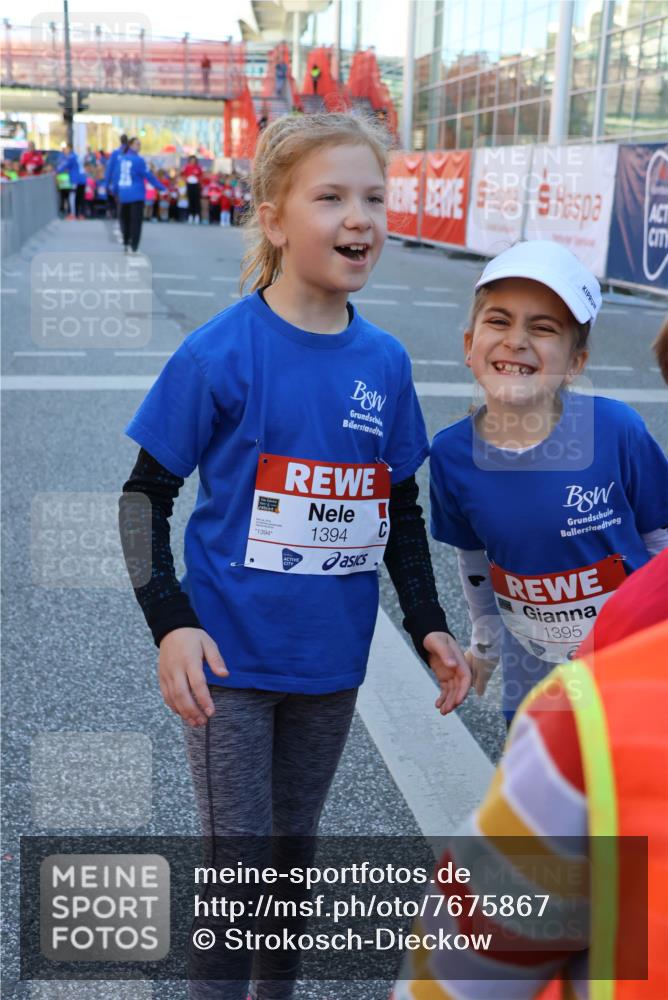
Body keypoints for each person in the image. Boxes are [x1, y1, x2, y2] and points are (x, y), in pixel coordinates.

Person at [118, 112, 470, 1000]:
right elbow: (142, 497)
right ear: (274, 219)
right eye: (332, 198)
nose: (361, 218)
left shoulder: (384, 363)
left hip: (329, 664)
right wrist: (173, 626)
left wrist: (427, 623)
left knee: (289, 859)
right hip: (230, 661)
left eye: (374, 198)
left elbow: (396, 501)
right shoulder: (219, 353)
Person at [428, 240, 668, 727]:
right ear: (469, 345)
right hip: (533, 676)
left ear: (576, 362)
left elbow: (659, 542)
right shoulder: (452, 455)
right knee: (541, 792)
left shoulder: (617, 430)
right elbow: (473, 559)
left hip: (631, 667)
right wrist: (485, 646)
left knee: (628, 794)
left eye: (542, 328)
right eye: (499, 320)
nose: (517, 340)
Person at [110, 137, 166, 252]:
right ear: (130, 145)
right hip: (136, 194)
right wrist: (161, 187)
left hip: (123, 193)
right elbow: (148, 175)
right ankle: (134, 245)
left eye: (139, 144)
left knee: (124, 219)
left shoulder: (121, 159)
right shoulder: (139, 160)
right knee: (136, 221)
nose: (139, 146)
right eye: (137, 144)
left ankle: (126, 241)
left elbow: (115, 176)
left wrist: (115, 190)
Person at [104, 133, 128, 218]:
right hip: (128, 183)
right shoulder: (130, 152)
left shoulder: (115, 153)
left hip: (117, 182)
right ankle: (124, 217)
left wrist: (106, 184)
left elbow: (109, 169)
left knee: (119, 201)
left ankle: (120, 217)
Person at [183, 154, 203, 224]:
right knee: (190, 200)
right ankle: (190, 216)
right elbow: (184, 175)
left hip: (196, 185)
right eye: (191, 160)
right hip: (189, 185)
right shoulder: (187, 167)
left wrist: (199, 184)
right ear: (189, 160)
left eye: (194, 160)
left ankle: (197, 216)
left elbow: (201, 176)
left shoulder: (198, 167)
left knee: (196, 201)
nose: (193, 161)